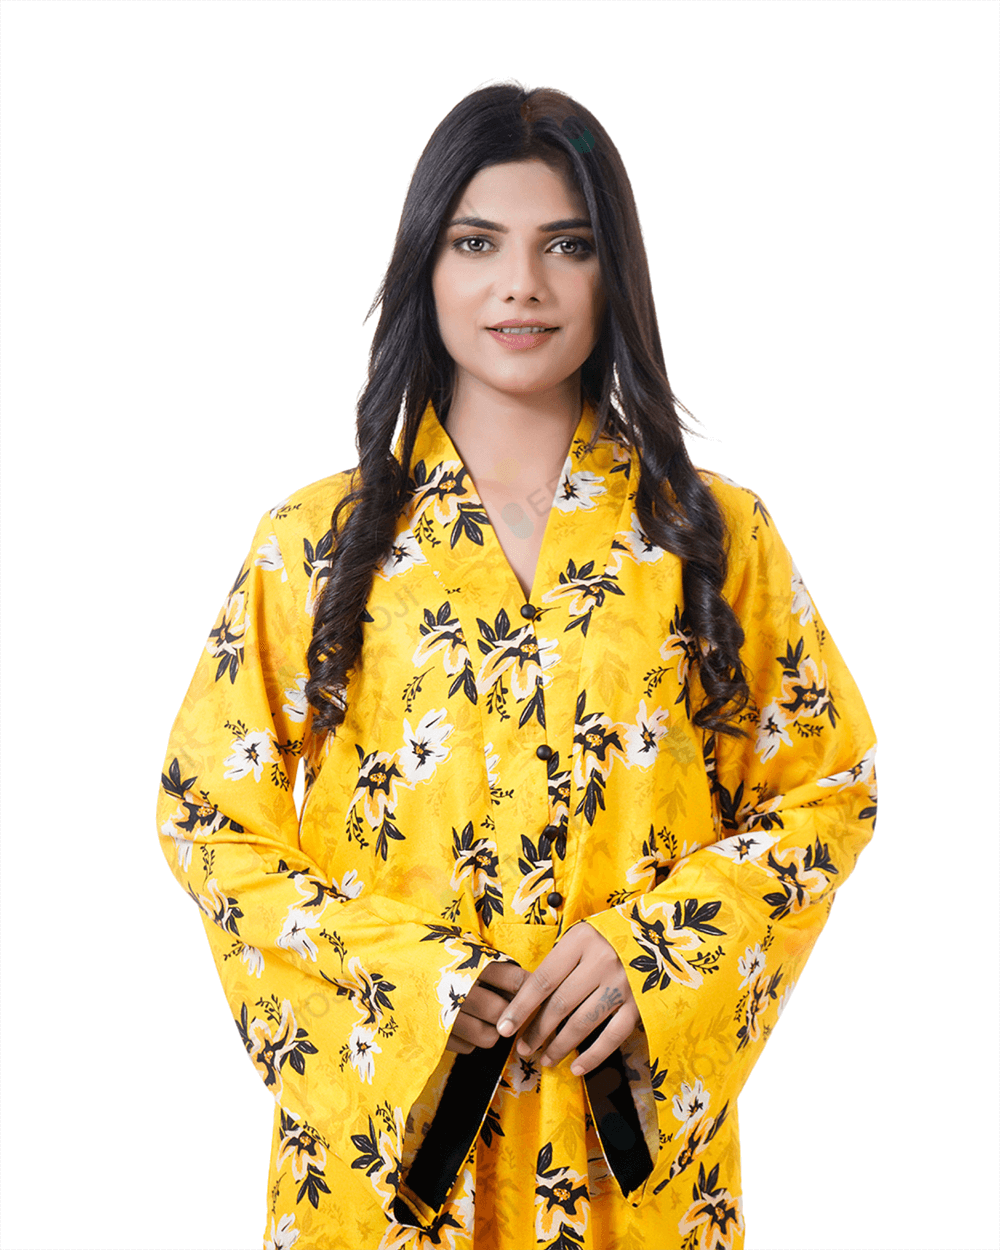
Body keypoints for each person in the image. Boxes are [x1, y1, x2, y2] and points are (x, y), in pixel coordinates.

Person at [156, 81, 877, 1250]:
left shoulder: (711, 534)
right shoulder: (317, 540)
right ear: (425, 265)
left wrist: (652, 956)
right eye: (477, 242)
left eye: (566, 245)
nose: (521, 284)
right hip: (396, 1157)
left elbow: (826, 787)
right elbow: (209, 814)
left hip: (619, 1143)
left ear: (613, 272)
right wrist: (414, 981)